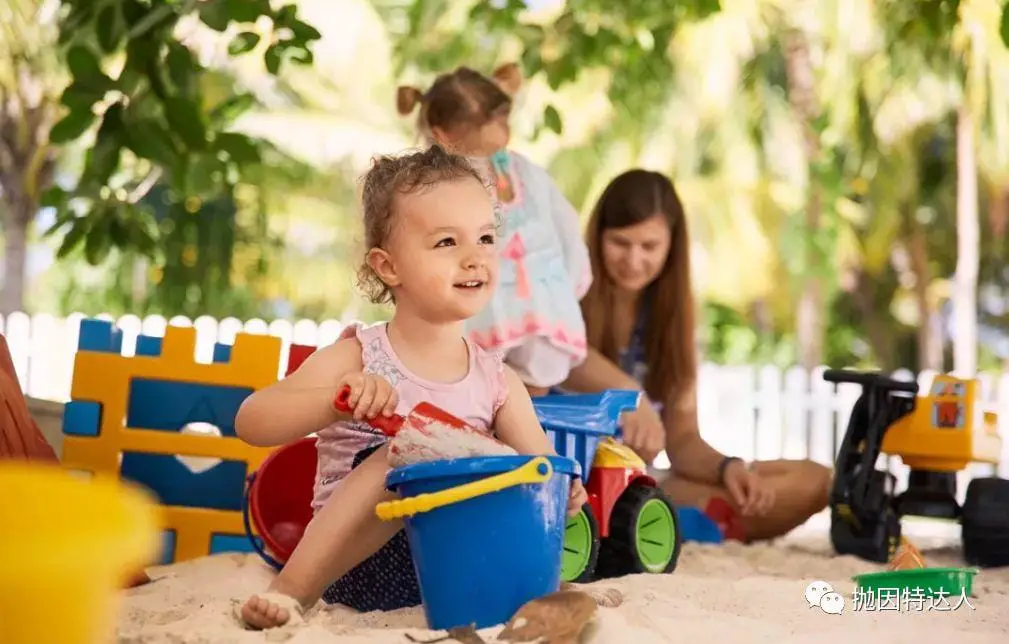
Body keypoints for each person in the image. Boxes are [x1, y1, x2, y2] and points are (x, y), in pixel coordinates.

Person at [235, 146, 587, 629]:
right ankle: (292, 592)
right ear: (388, 266)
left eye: (485, 238)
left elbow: (540, 474)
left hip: (454, 571)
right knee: (408, 451)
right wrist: (335, 404)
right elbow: (252, 420)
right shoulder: (361, 356)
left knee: (490, 472)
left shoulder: (499, 381)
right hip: (357, 568)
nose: (473, 258)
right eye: (446, 242)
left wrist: (563, 492)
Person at [561, 169, 832, 542]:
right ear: (597, 237)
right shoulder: (566, 295)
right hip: (575, 479)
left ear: (672, 245)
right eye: (620, 243)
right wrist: (629, 397)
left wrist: (728, 469)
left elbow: (682, 440)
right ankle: (683, 525)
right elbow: (560, 354)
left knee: (815, 481)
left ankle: (687, 521)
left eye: (649, 246)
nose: (633, 259)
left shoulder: (675, 319)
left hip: (643, 480)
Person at [396, 63, 592, 397]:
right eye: (491, 122)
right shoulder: (436, 187)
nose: (501, 127)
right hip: (475, 329)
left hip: (540, 325)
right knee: (484, 400)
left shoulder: (527, 174)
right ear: (444, 133)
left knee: (526, 401)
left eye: (501, 118)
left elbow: (567, 235)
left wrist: (564, 293)